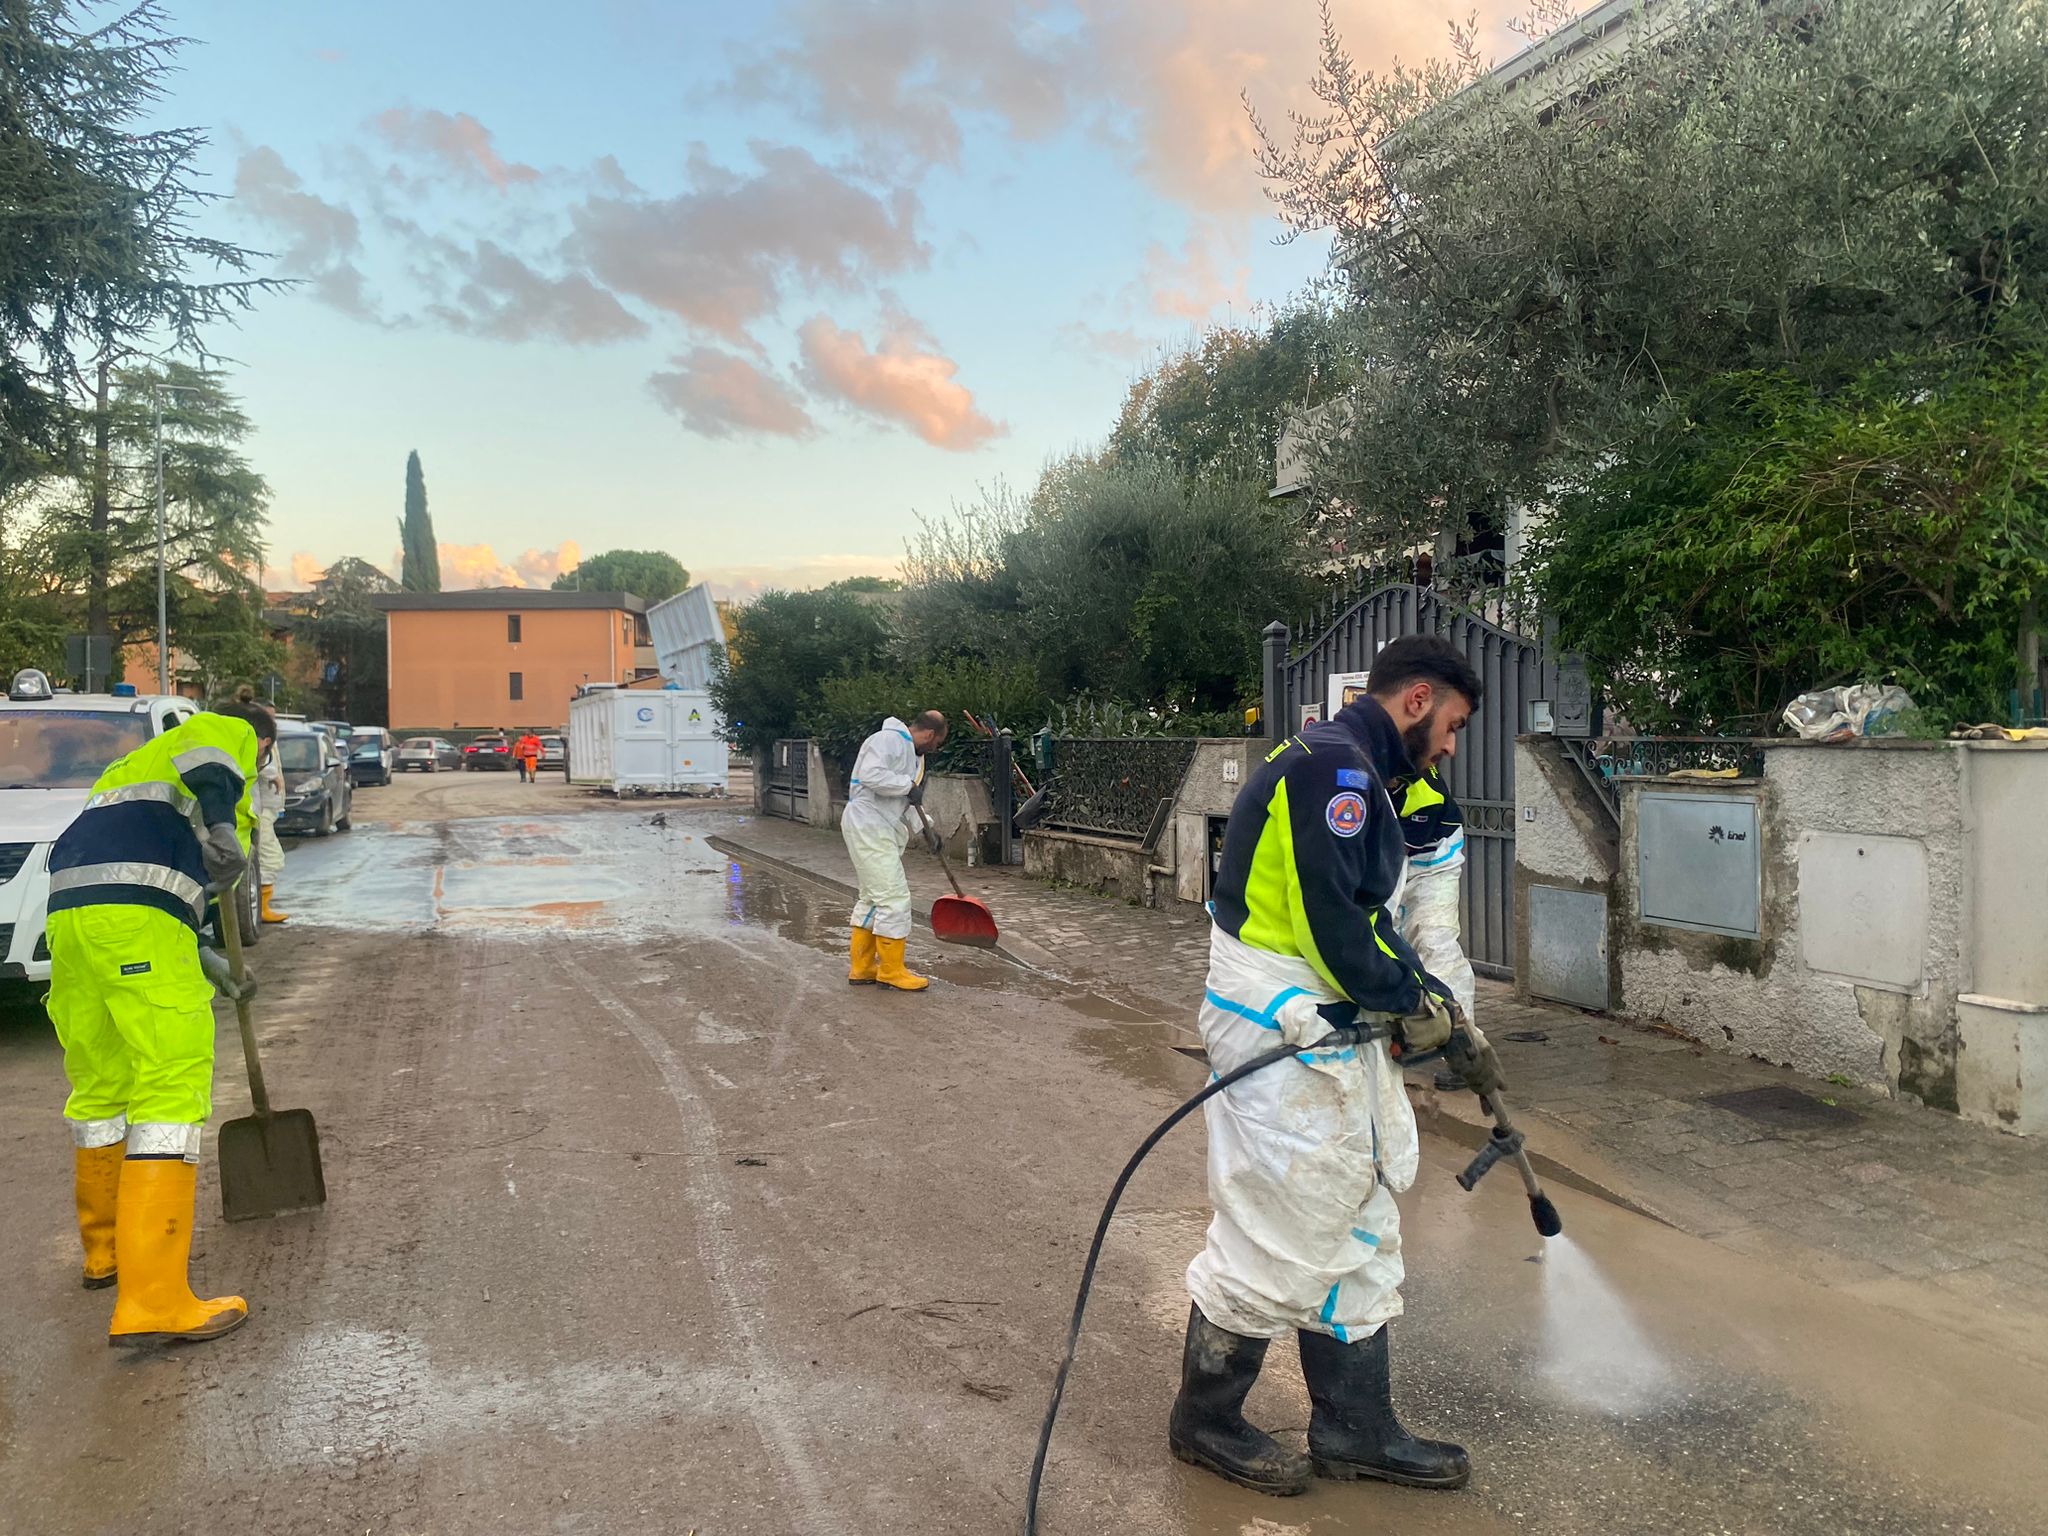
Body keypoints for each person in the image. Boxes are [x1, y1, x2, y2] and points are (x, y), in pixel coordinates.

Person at [1173, 635, 1498, 1499]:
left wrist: (1431, 1001)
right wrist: (1414, 1005)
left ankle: (1355, 1426)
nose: (1451, 745)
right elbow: (1336, 929)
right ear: (1418, 699)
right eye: (1454, 725)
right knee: (1280, 1223)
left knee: (1359, 1208)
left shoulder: (1365, 772)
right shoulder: (1335, 773)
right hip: (1279, 1018)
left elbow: (1376, 919)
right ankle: (1205, 1419)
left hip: (1323, 1015)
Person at [44, 700, 274, 1346]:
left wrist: (203, 956)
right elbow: (213, 755)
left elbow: (137, 871)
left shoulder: (131, 769)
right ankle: (153, 1301)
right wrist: (225, 825)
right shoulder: (226, 731)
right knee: (170, 1087)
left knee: (101, 1088)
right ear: (263, 743)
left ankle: (106, 1254)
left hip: (72, 919)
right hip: (135, 921)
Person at [840, 710, 947, 992]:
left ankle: (862, 967)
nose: (935, 749)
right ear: (930, 734)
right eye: (937, 743)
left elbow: (906, 802)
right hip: (867, 823)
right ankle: (891, 971)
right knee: (894, 898)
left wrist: (927, 829)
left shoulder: (915, 756)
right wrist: (907, 786)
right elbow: (871, 775)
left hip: (878, 826)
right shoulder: (887, 740)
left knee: (873, 899)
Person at [239, 686, 289, 923]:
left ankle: (260, 906)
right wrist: (272, 775)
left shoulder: (267, 740)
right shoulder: (255, 740)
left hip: (267, 809)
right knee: (271, 858)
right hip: (259, 811)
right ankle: (260, 907)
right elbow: (261, 766)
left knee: (265, 858)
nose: (272, 722)